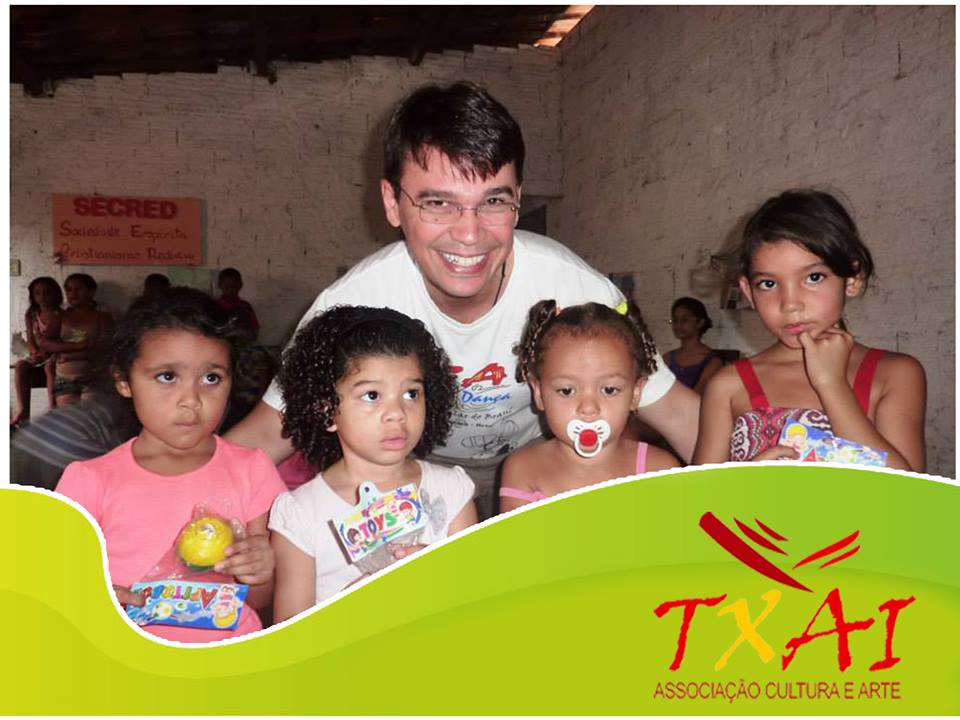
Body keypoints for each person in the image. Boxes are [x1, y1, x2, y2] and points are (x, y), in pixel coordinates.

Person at [224, 81, 700, 520]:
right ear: (392, 202)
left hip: (543, 472)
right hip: (416, 480)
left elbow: (682, 416)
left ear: (518, 198)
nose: (470, 234)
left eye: (493, 202)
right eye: (437, 203)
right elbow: (267, 433)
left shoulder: (577, 289)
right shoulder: (351, 305)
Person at [57, 287, 287, 643]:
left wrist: (259, 571)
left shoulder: (253, 469)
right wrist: (92, 603)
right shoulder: (88, 481)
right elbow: (54, 592)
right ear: (124, 381)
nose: (191, 400)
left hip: (228, 660)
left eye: (211, 378)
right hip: (126, 660)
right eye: (167, 376)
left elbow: (259, 600)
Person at [692, 189, 926, 471]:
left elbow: (908, 491)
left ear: (852, 279)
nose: (790, 304)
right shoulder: (728, 385)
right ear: (748, 291)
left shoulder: (895, 374)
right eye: (768, 284)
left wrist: (832, 385)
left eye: (814, 277)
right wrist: (745, 485)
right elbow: (699, 496)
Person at [268, 306, 477, 619]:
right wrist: (348, 610)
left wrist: (442, 577)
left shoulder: (451, 490)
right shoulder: (300, 514)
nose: (396, 413)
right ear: (327, 411)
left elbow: (476, 600)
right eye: (371, 395)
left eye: (411, 393)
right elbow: (289, 631)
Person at [499, 301, 680, 511]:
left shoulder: (660, 470)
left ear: (635, 393)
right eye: (567, 391)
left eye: (609, 390)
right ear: (538, 393)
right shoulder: (523, 470)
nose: (588, 408)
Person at [49, 273, 114, 406]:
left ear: (92, 291)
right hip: (65, 378)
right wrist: (78, 346)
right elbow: (46, 343)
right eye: (69, 290)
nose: (73, 293)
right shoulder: (59, 316)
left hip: (93, 377)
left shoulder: (102, 317)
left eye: (79, 289)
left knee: (89, 415)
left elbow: (105, 348)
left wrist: (69, 355)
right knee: (68, 416)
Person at [11, 277, 63, 426]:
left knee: (50, 367)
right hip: (39, 354)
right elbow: (30, 338)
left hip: (55, 354)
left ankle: (53, 409)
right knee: (21, 365)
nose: (42, 297)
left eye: (47, 293)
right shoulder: (31, 314)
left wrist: (49, 352)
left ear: (55, 294)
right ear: (32, 296)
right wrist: (34, 352)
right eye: (37, 293)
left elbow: (61, 338)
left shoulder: (60, 314)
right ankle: (23, 411)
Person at [664, 297, 723, 394]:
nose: (678, 325)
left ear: (700, 323)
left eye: (685, 320)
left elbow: (698, 396)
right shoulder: (667, 358)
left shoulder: (712, 361)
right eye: (675, 320)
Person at [216, 267, 260, 341]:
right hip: (219, 345)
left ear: (240, 286)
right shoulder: (213, 305)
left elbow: (255, 332)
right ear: (220, 285)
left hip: (241, 346)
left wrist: (243, 332)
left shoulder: (245, 307)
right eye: (226, 286)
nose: (230, 289)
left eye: (234, 286)